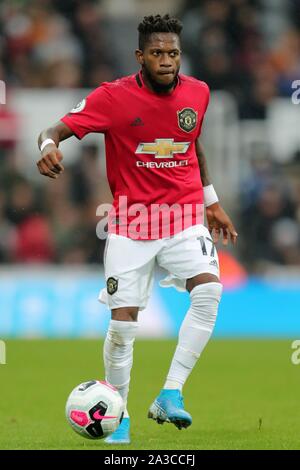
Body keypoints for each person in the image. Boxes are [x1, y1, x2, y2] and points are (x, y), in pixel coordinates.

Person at [37, 14, 237, 444]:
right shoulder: (112, 97)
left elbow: (191, 145)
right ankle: (120, 414)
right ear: (140, 56)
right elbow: (54, 129)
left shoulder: (199, 93)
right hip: (130, 222)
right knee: (124, 326)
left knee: (209, 291)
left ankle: (171, 392)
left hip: (184, 216)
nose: (167, 61)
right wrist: (48, 146)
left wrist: (212, 201)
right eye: (158, 53)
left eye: (174, 53)